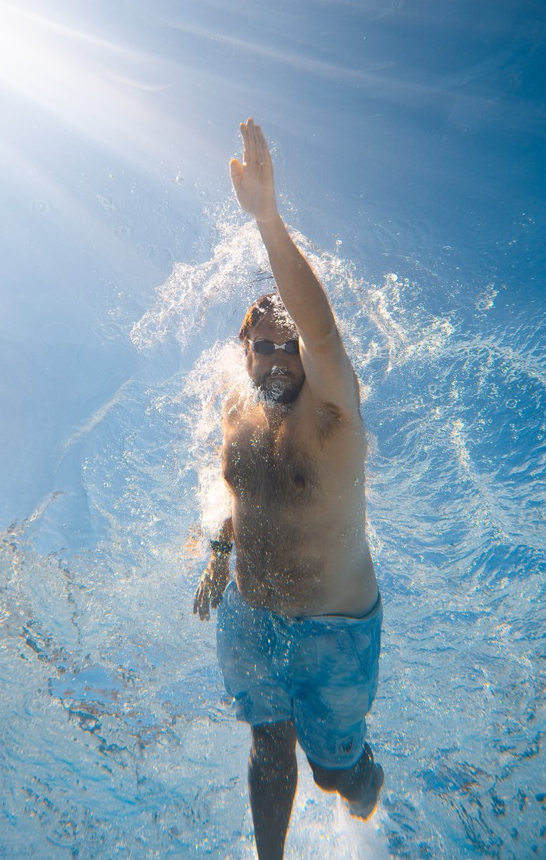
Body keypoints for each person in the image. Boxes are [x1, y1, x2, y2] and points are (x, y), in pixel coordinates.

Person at [193, 119, 384, 860]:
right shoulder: (238, 415)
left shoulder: (331, 412)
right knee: (268, 745)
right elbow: (237, 494)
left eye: (288, 344)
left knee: (333, 773)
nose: (279, 358)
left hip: (334, 632)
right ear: (244, 354)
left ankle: (365, 785)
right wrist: (217, 554)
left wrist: (267, 221)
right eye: (262, 346)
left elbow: (325, 330)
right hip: (251, 617)